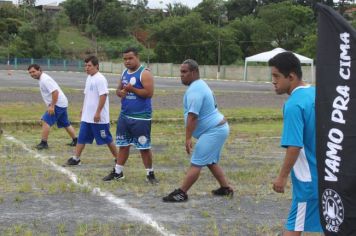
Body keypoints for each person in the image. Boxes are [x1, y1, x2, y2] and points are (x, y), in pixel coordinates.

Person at [162, 59, 233, 202]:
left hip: (214, 130)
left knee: (197, 162)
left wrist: (188, 138)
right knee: (210, 161)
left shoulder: (195, 90)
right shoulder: (198, 85)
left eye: (184, 72)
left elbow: (193, 116)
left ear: (193, 72)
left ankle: (182, 193)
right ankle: (226, 188)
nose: (181, 75)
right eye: (180, 72)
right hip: (217, 128)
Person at [269, 52, 322, 235]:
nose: (273, 81)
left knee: (294, 226)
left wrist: (282, 177)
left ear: (291, 76)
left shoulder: (293, 105)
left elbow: (294, 145)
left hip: (308, 180)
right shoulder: (316, 93)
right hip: (328, 175)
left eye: (276, 76)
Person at [103, 47, 158, 184]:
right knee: (123, 145)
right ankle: (118, 172)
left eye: (130, 58)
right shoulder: (124, 73)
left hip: (141, 117)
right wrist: (119, 92)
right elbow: (118, 89)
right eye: (125, 59)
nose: (127, 61)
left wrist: (132, 89)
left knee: (143, 147)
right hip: (125, 115)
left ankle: (150, 174)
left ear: (137, 57)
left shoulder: (144, 73)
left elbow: (148, 93)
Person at [66, 56, 117, 166]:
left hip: (98, 118)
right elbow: (87, 96)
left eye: (89, 65)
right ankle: (76, 158)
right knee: (82, 138)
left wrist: (98, 112)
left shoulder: (100, 79)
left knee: (107, 138)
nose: (87, 68)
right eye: (85, 65)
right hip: (87, 117)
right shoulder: (89, 78)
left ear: (96, 66)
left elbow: (103, 95)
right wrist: (83, 109)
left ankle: (118, 158)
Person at [28, 64, 77, 150]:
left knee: (45, 121)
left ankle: (44, 143)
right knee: (65, 123)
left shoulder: (45, 79)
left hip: (58, 104)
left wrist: (52, 106)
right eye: (30, 73)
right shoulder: (42, 79)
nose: (32, 74)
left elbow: (55, 92)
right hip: (61, 103)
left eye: (33, 71)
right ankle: (76, 141)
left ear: (39, 70)